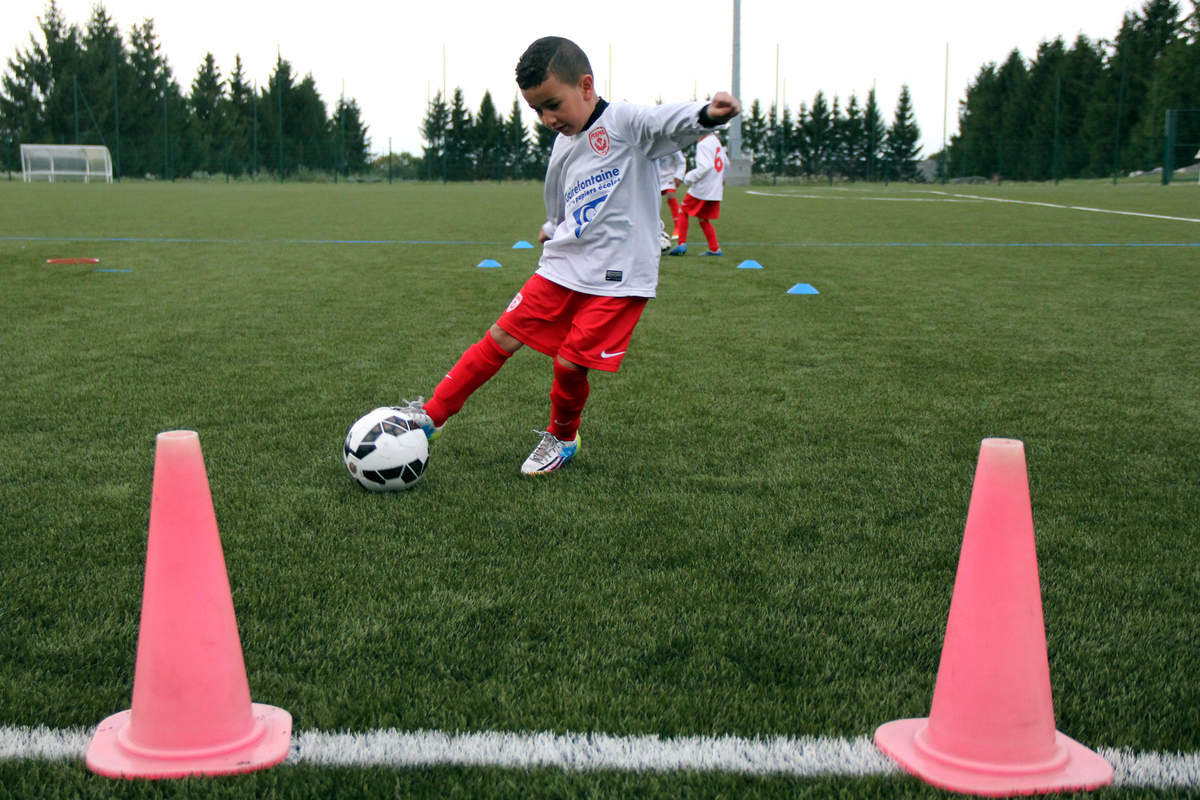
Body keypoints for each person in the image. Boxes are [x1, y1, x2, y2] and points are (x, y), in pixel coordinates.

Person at [401, 36, 740, 475]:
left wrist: (706, 114)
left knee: (568, 364)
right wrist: (551, 226)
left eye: (553, 105)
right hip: (564, 264)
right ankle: (431, 416)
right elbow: (560, 196)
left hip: (618, 276)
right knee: (500, 336)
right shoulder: (564, 142)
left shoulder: (624, 122)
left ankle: (562, 437)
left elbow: (662, 122)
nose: (547, 119)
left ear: (585, 86)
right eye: (537, 110)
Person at [668, 132, 727, 256]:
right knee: (703, 218)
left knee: (683, 211)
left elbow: (705, 167)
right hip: (715, 189)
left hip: (702, 188)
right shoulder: (716, 141)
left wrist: (689, 178)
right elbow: (726, 164)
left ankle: (681, 244)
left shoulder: (703, 144)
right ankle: (715, 249)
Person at [654, 150, 686, 238]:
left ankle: (678, 226)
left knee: (670, 195)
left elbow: (681, 161)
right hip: (657, 177)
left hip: (670, 176)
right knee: (653, 201)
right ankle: (656, 227)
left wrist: (678, 176)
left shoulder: (672, 146)